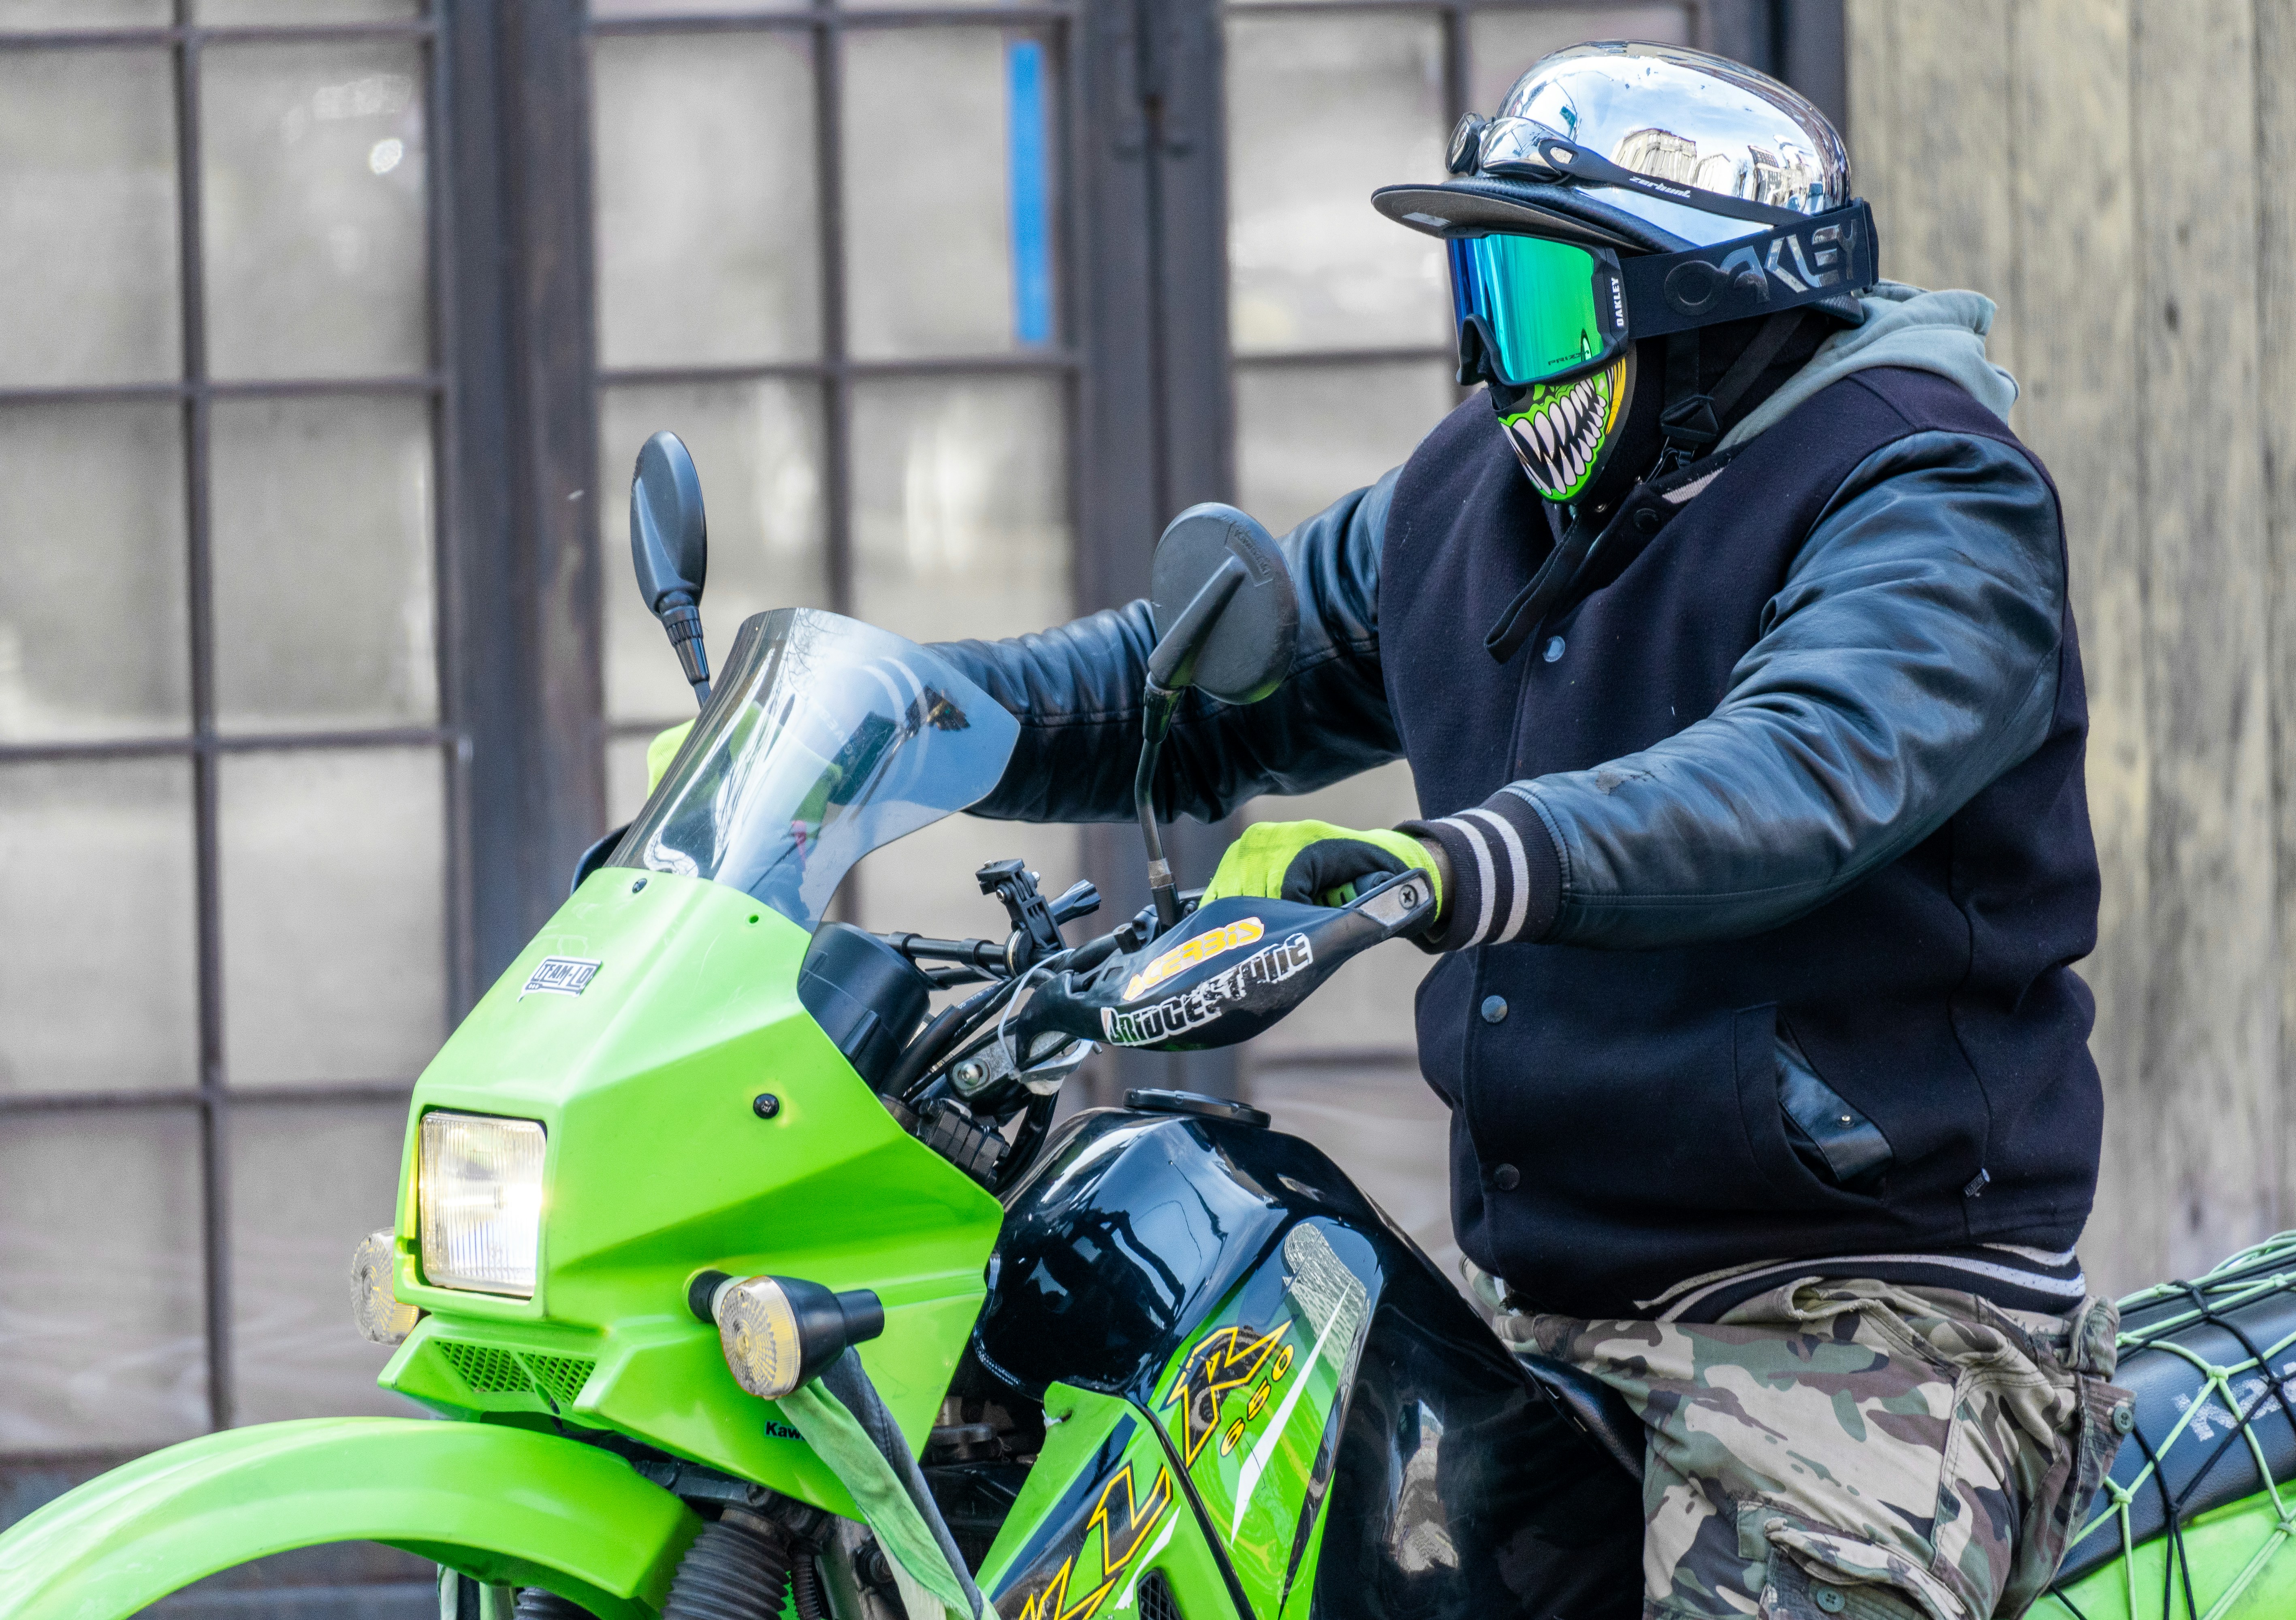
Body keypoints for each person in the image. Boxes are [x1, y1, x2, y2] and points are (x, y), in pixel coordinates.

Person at [663, 40, 2127, 1620]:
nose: (1502, 364)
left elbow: (1803, 769)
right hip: (1552, 1301)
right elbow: (1199, 687)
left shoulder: (1924, 493)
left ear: (1701, 310)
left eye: (1544, 303)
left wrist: (1450, 863)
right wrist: (898, 716)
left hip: (1861, 1325)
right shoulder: (1473, 501)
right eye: (1481, 295)